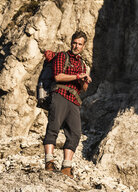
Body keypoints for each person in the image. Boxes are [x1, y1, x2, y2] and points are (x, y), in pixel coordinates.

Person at [42, 30, 92, 178]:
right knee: (54, 127)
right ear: (71, 43)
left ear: (83, 46)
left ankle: (66, 167)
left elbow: (83, 90)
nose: (76, 46)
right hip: (60, 94)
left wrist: (84, 82)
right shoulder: (62, 56)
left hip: (74, 100)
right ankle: (49, 162)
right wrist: (77, 76)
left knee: (75, 133)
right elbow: (58, 76)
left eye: (79, 44)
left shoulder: (82, 64)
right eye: (74, 43)